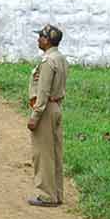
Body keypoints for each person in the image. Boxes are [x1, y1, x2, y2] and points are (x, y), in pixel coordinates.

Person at [28, 24, 69, 208]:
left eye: (40, 37)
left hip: (45, 110)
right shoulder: (60, 58)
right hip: (57, 107)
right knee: (55, 152)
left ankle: (46, 195)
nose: (38, 40)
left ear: (47, 40)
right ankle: (57, 193)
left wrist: (35, 116)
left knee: (43, 154)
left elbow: (42, 91)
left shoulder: (47, 62)